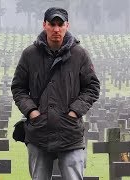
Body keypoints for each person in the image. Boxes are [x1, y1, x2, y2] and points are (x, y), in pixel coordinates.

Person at [11, 7, 100, 180]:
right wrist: (32, 112)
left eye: (60, 24)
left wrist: (74, 112)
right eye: (52, 24)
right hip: (38, 132)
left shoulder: (79, 54)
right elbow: (18, 88)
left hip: (70, 133)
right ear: (44, 25)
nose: (56, 29)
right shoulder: (30, 54)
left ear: (67, 25)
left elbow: (92, 87)